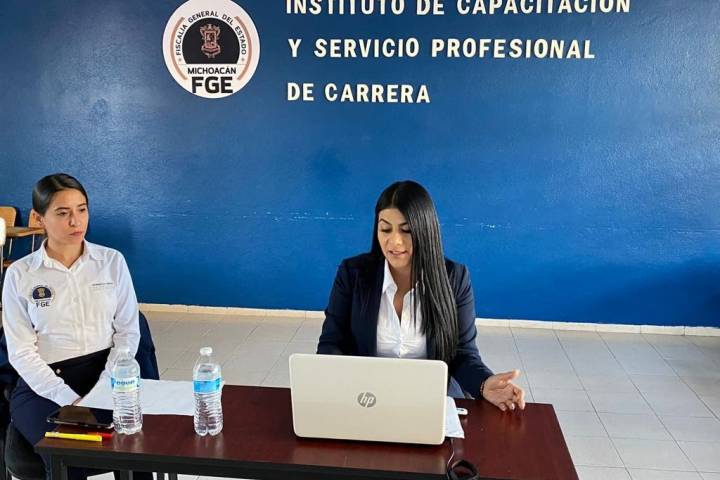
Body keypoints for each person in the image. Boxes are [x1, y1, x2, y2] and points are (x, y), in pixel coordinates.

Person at [318, 180, 525, 411]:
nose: (394, 241)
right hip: (368, 398)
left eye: (406, 230)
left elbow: (462, 354)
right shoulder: (353, 274)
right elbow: (331, 343)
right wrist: (335, 385)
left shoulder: (454, 278)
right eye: (385, 229)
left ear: (425, 230)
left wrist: (484, 383)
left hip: (431, 399)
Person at [0, 173, 148, 480]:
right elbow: (21, 352)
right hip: (44, 383)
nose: (75, 221)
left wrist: (105, 388)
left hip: (107, 375)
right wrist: (70, 400)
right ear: (39, 218)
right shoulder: (20, 274)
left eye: (82, 210)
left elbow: (128, 332)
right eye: (62, 212)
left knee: (136, 446)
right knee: (69, 454)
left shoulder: (111, 262)